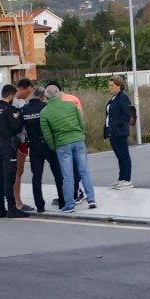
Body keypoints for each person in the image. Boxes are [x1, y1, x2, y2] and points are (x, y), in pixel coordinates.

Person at [41, 83, 97, 213]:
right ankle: (91, 199)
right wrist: (80, 135)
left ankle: (70, 204)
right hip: (78, 140)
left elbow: (47, 134)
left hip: (62, 144)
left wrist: (54, 146)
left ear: (46, 97)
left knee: (68, 176)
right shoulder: (71, 105)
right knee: (84, 172)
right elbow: (81, 122)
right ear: (59, 93)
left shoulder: (45, 112)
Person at [0, 83, 29, 219]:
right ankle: (11, 208)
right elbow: (16, 128)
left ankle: (0, 209)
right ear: (10, 95)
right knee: (9, 177)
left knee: (0, 177)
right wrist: (20, 116)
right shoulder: (10, 109)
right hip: (7, 146)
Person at [20, 85, 64, 212]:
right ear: (43, 97)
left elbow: (20, 128)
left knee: (37, 176)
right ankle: (62, 201)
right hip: (48, 144)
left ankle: (40, 206)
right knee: (57, 173)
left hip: (34, 146)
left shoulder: (25, 109)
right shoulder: (45, 107)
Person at [47, 80, 85, 201]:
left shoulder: (58, 101)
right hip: (77, 136)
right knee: (79, 168)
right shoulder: (74, 98)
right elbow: (81, 117)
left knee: (67, 171)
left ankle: (71, 195)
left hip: (63, 139)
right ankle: (79, 192)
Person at [10, 78, 35, 213]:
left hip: (24, 140)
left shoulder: (22, 102)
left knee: (20, 172)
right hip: (17, 142)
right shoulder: (13, 103)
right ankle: (17, 202)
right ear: (21, 88)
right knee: (17, 173)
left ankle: (16, 200)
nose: (28, 95)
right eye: (28, 92)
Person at [105, 74, 134, 188]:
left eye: (112, 86)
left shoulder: (122, 97)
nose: (110, 88)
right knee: (119, 156)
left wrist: (117, 125)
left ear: (119, 86)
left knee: (124, 155)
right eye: (109, 86)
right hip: (112, 132)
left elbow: (127, 114)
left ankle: (127, 179)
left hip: (119, 132)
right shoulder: (113, 98)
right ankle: (121, 178)